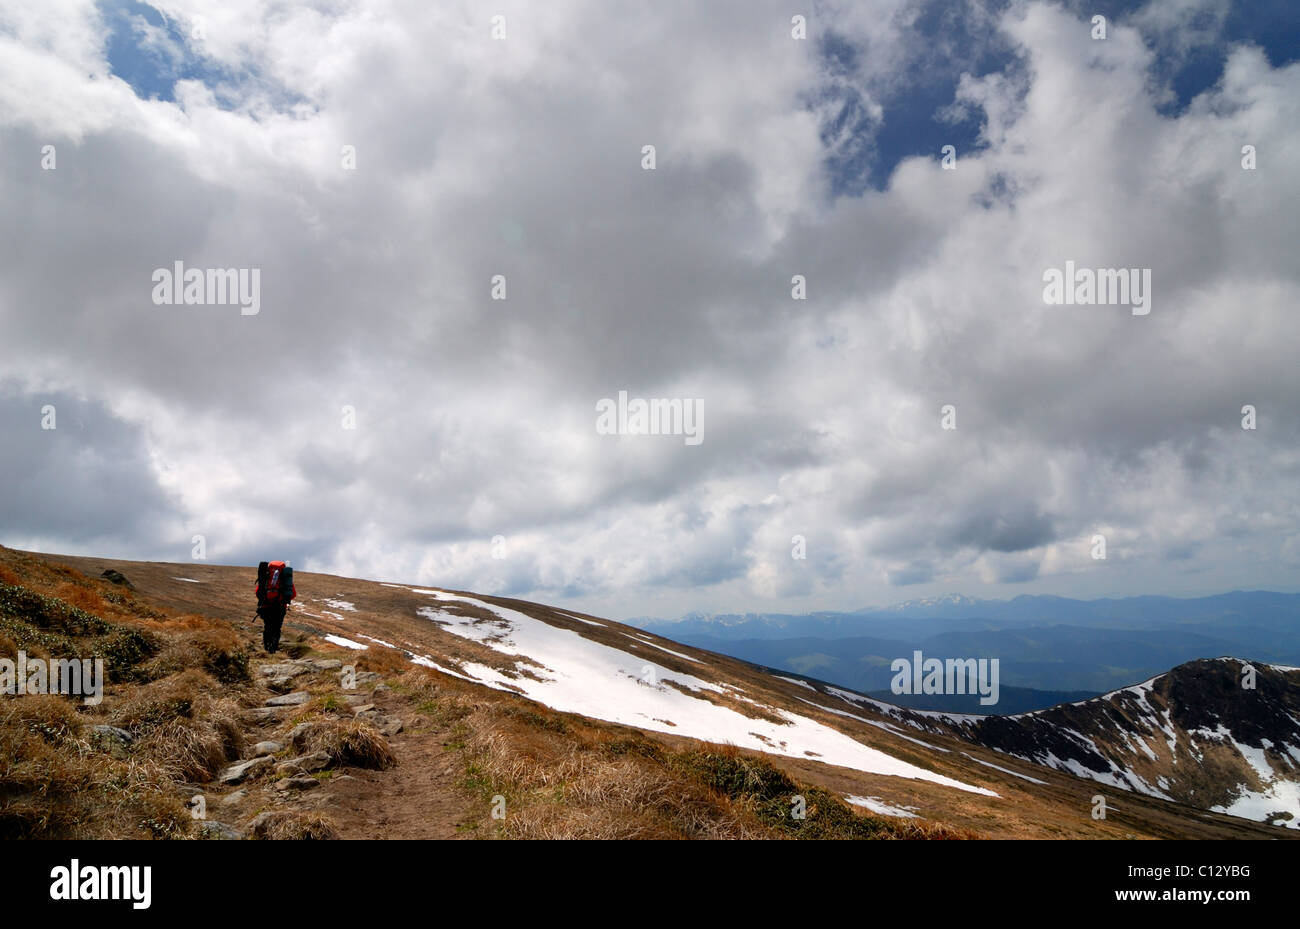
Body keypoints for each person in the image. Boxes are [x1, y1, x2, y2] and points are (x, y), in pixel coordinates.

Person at [254, 560, 296, 653]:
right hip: (280, 607)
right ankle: (273, 649)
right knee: (277, 628)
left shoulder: (265, 578)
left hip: (266, 607)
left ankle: (266, 648)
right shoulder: (285, 579)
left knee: (267, 626)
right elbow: (293, 594)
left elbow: (258, 593)